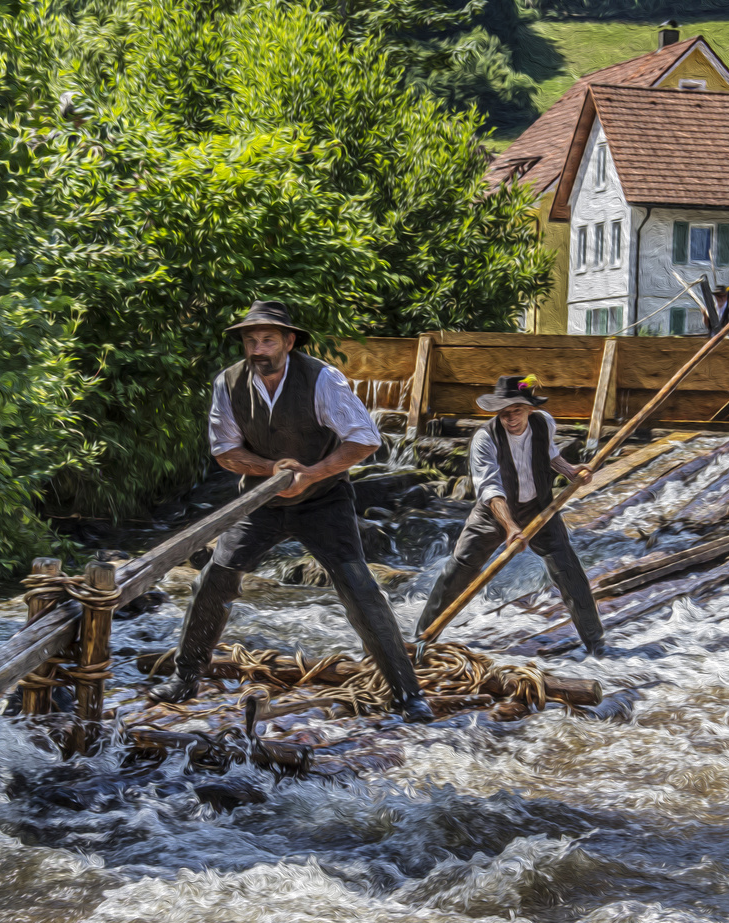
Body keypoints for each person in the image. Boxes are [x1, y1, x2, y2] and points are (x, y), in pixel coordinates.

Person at [149, 300, 433, 720]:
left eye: (268, 340)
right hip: (259, 499)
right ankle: (185, 677)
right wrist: (270, 469)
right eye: (251, 341)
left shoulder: (322, 379)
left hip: (324, 500)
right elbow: (225, 451)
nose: (258, 349)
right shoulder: (227, 383)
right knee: (215, 578)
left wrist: (313, 473)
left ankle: (407, 694)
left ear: (289, 341)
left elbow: (365, 439)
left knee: (359, 588)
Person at [416, 376, 605, 657]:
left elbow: (551, 454)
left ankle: (595, 644)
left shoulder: (544, 422)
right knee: (460, 569)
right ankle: (422, 639)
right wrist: (511, 528)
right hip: (494, 512)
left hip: (539, 508)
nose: (510, 418)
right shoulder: (484, 439)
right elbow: (491, 490)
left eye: (516, 410)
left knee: (569, 570)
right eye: (504, 413)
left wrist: (570, 471)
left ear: (529, 408)